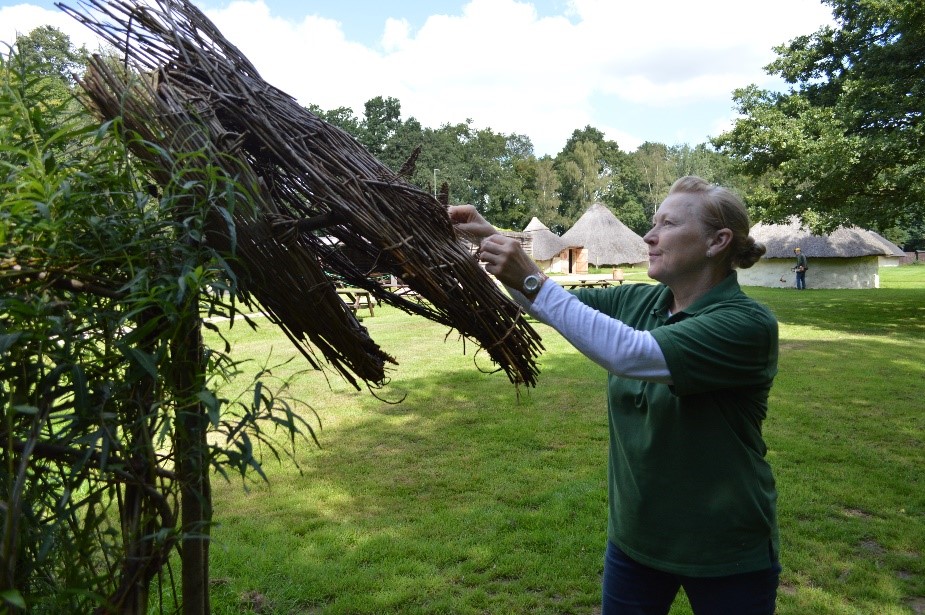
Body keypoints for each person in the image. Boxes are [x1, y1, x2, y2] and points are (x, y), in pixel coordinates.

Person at [449, 176, 781, 615]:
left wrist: (530, 280)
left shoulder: (746, 324)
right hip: (635, 540)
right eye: (652, 222)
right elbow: (550, 306)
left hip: (725, 546)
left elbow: (627, 353)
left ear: (717, 241)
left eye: (667, 223)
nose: (649, 234)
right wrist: (491, 238)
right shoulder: (640, 302)